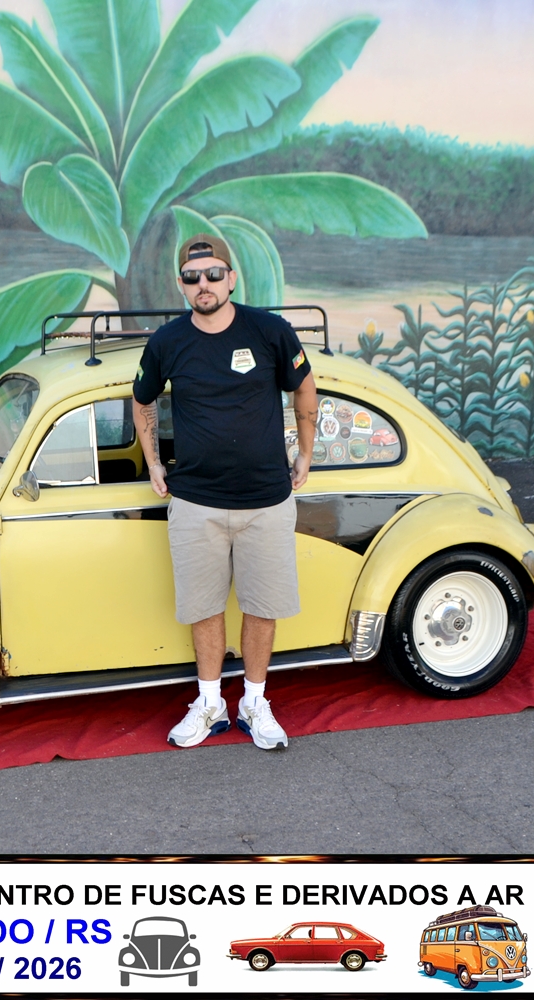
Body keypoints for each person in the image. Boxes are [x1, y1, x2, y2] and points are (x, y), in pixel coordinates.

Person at [132, 235, 318, 750]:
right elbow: (142, 398)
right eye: (193, 277)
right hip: (196, 502)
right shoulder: (167, 342)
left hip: (267, 501)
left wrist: (305, 452)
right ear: (181, 284)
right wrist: (153, 462)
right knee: (203, 608)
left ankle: (255, 702)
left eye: (214, 274)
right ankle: (210, 702)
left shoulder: (269, 330)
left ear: (231, 278)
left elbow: (304, 386)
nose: (204, 284)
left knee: (262, 606)